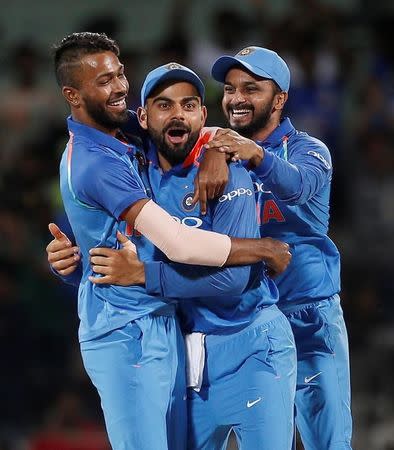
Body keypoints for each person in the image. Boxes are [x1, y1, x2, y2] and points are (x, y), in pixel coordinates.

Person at [51, 32, 294, 450]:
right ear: (72, 95)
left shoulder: (124, 132)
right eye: (104, 81)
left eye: (120, 74)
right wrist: (261, 249)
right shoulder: (97, 160)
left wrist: (219, 145)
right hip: (126, 329)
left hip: (179, 328)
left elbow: (184, 125)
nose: (118, 88)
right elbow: (177, 246)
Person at [199, 46, 352, 450]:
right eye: (230, 88)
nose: (235, 98)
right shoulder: (216, 154)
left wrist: (252, 153)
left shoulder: (309, 150)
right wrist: (216, 147)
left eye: (251, 88)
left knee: (328, 442)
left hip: (306, 315)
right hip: (243, 323)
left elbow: (298, 186)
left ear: (279, 99)